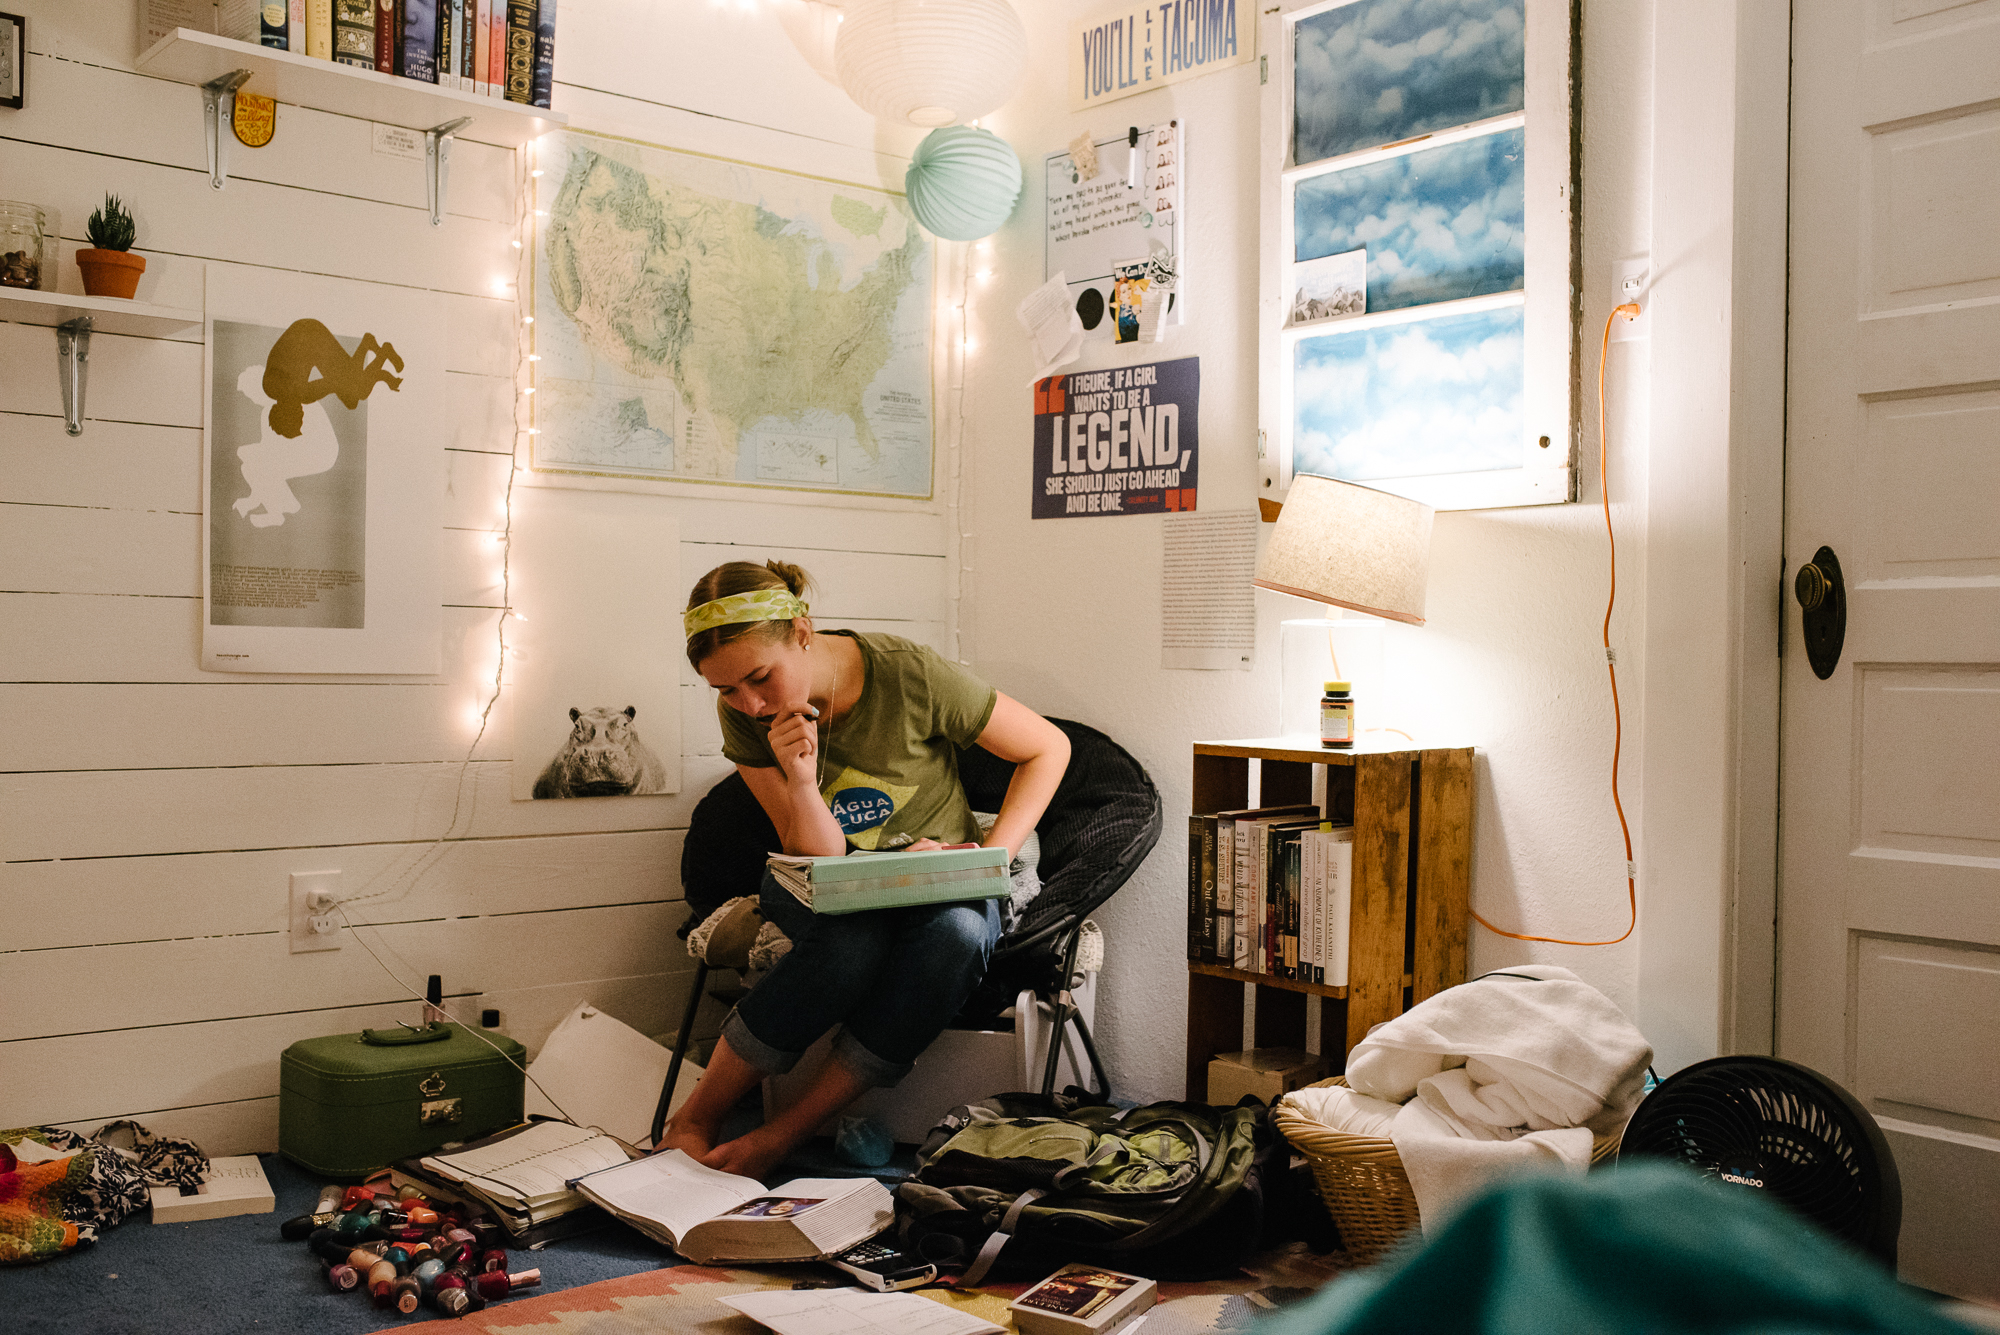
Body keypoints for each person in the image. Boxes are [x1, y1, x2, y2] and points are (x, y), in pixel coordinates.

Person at [663, 560, 1071, 1178]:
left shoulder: (908, 673)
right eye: (725, 690)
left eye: (759, 677)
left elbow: (1048, 747)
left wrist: (993, 857)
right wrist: (802, 782)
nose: (748, 703)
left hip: (937, 875)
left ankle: (781, 1136)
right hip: (822, 870)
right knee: (852, 941)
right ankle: (693, 1118)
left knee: (956, 938)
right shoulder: (747, 716)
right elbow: (816, 858)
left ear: (802, 631)